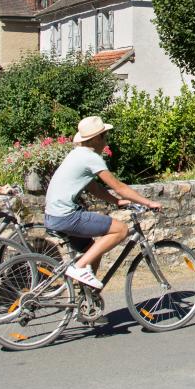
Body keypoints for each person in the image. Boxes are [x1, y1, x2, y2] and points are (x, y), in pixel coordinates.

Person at [44, 115, 162, 290]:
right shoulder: (91, 158)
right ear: (96, 138)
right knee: (121, 230)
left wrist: (116, 201)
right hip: (66, 216)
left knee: (94, 249)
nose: (106, 141)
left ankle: (87, 300)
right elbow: (119, 186)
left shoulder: (77, 154)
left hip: (53, 215)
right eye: (104, 136)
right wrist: (148, 203)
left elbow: (94, 189)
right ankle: (78, 267)